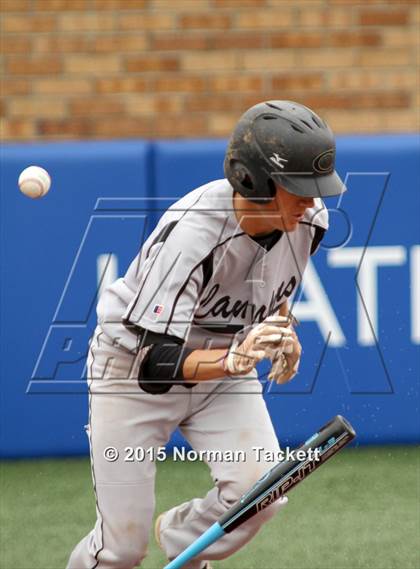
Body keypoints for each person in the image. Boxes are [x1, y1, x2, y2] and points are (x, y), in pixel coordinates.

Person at [67, 100, 346, 569]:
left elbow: (276, 280)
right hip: (133, 370)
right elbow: (155, 365)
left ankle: (181, 541)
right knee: (121, 550)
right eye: (298, 188)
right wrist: (234, 358)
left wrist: (283, 327)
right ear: (253, 181)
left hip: (221, 369)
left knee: (260, 494)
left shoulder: (309, 222)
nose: (311, 200)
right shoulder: (194, 233)